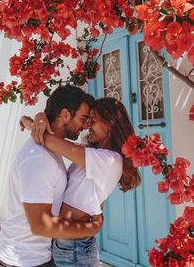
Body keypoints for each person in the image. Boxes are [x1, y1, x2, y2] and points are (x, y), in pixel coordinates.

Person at [21, 97, 141, 267]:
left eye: (93, 120)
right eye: (87, 120)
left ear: (110, 124)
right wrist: (39, 117)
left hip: (76, 248)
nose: (87, 126)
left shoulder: (111, 160)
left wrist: (32, 125)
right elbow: (55, 136)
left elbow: (51, 141)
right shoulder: (93, 152)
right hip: (66, 243)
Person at [0, 86, 103, 267]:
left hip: (35, 255)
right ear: (65, 115)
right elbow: (40, 225)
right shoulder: (39, 158)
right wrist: (91, 228)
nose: (85, 126)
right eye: (83, 118)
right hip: (23, 259)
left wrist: (32, 120)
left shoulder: (52, 147)